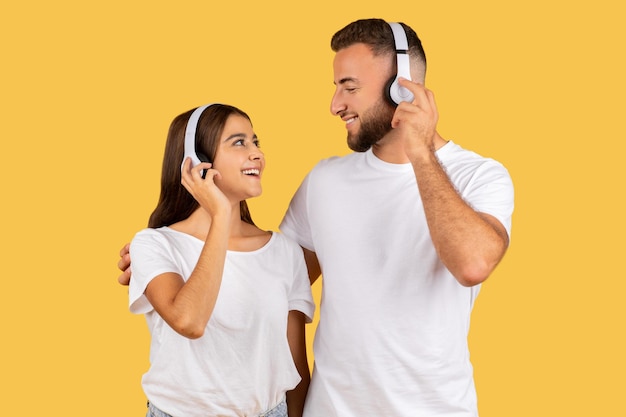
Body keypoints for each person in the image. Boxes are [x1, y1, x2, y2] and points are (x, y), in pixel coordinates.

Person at [119, 18, 514, 417]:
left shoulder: (479, 176)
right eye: (336, 88)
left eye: (350, 87)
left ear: (403, 86)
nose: (335, 105)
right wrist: (165, 259)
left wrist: (422, 152)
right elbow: (271, 275)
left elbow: (472, 263)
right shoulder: (325, 180)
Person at [126, 103, 314, 417]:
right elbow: (189, 321)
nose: (257, 153)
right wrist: (221, 214)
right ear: (197, 163)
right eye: (239, 142)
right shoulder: (154, 245)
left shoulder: (284, 252)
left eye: (256, 142)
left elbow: (295, 365)